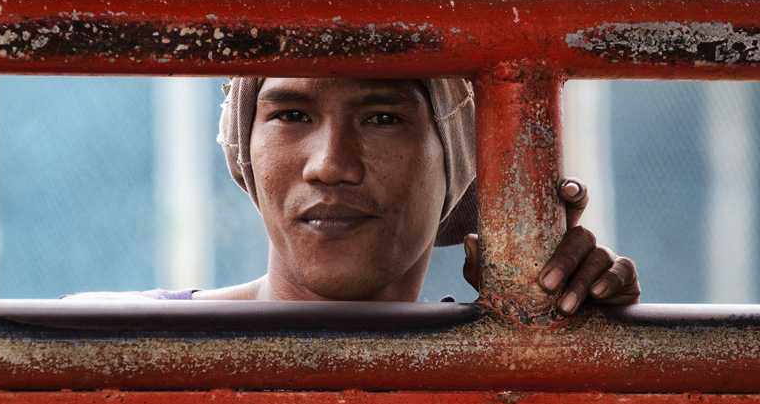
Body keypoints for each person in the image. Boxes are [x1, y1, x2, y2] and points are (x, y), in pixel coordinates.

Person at [74, 77, 641, 315]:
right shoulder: (98, 342)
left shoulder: (492, 366)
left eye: (383, 117)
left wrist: (569, 324)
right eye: (291, 115)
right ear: (246, 150)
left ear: (457, 159)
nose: (331, 165)